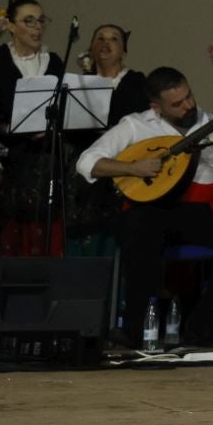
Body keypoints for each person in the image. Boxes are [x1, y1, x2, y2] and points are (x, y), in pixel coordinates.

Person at [76, 66, 213, 346]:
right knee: (140, 225)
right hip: (155, 209)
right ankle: (132, 329)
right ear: (156, 107)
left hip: (204, 211)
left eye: (189, 97)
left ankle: (200, 328)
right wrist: (132, 168)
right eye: (177, 104)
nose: (188, 106)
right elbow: (87, 161)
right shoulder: (136, 125)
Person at [0, 0, 69, 256]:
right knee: (11, 234)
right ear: (10, 25)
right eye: (28, 20)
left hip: (46, 158)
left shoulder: (54, 62)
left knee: (45, 232)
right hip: (12, 158)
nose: (36, 27)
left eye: (40, 20)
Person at [66, 23, 149, 256]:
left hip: (123, 166)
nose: (106, 43)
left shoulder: (137, 82)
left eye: (113, 39)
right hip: (83, 169)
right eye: (100, 38)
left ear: (123, 50)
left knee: (116, 232)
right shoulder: (77, 85)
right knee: (82, 231)